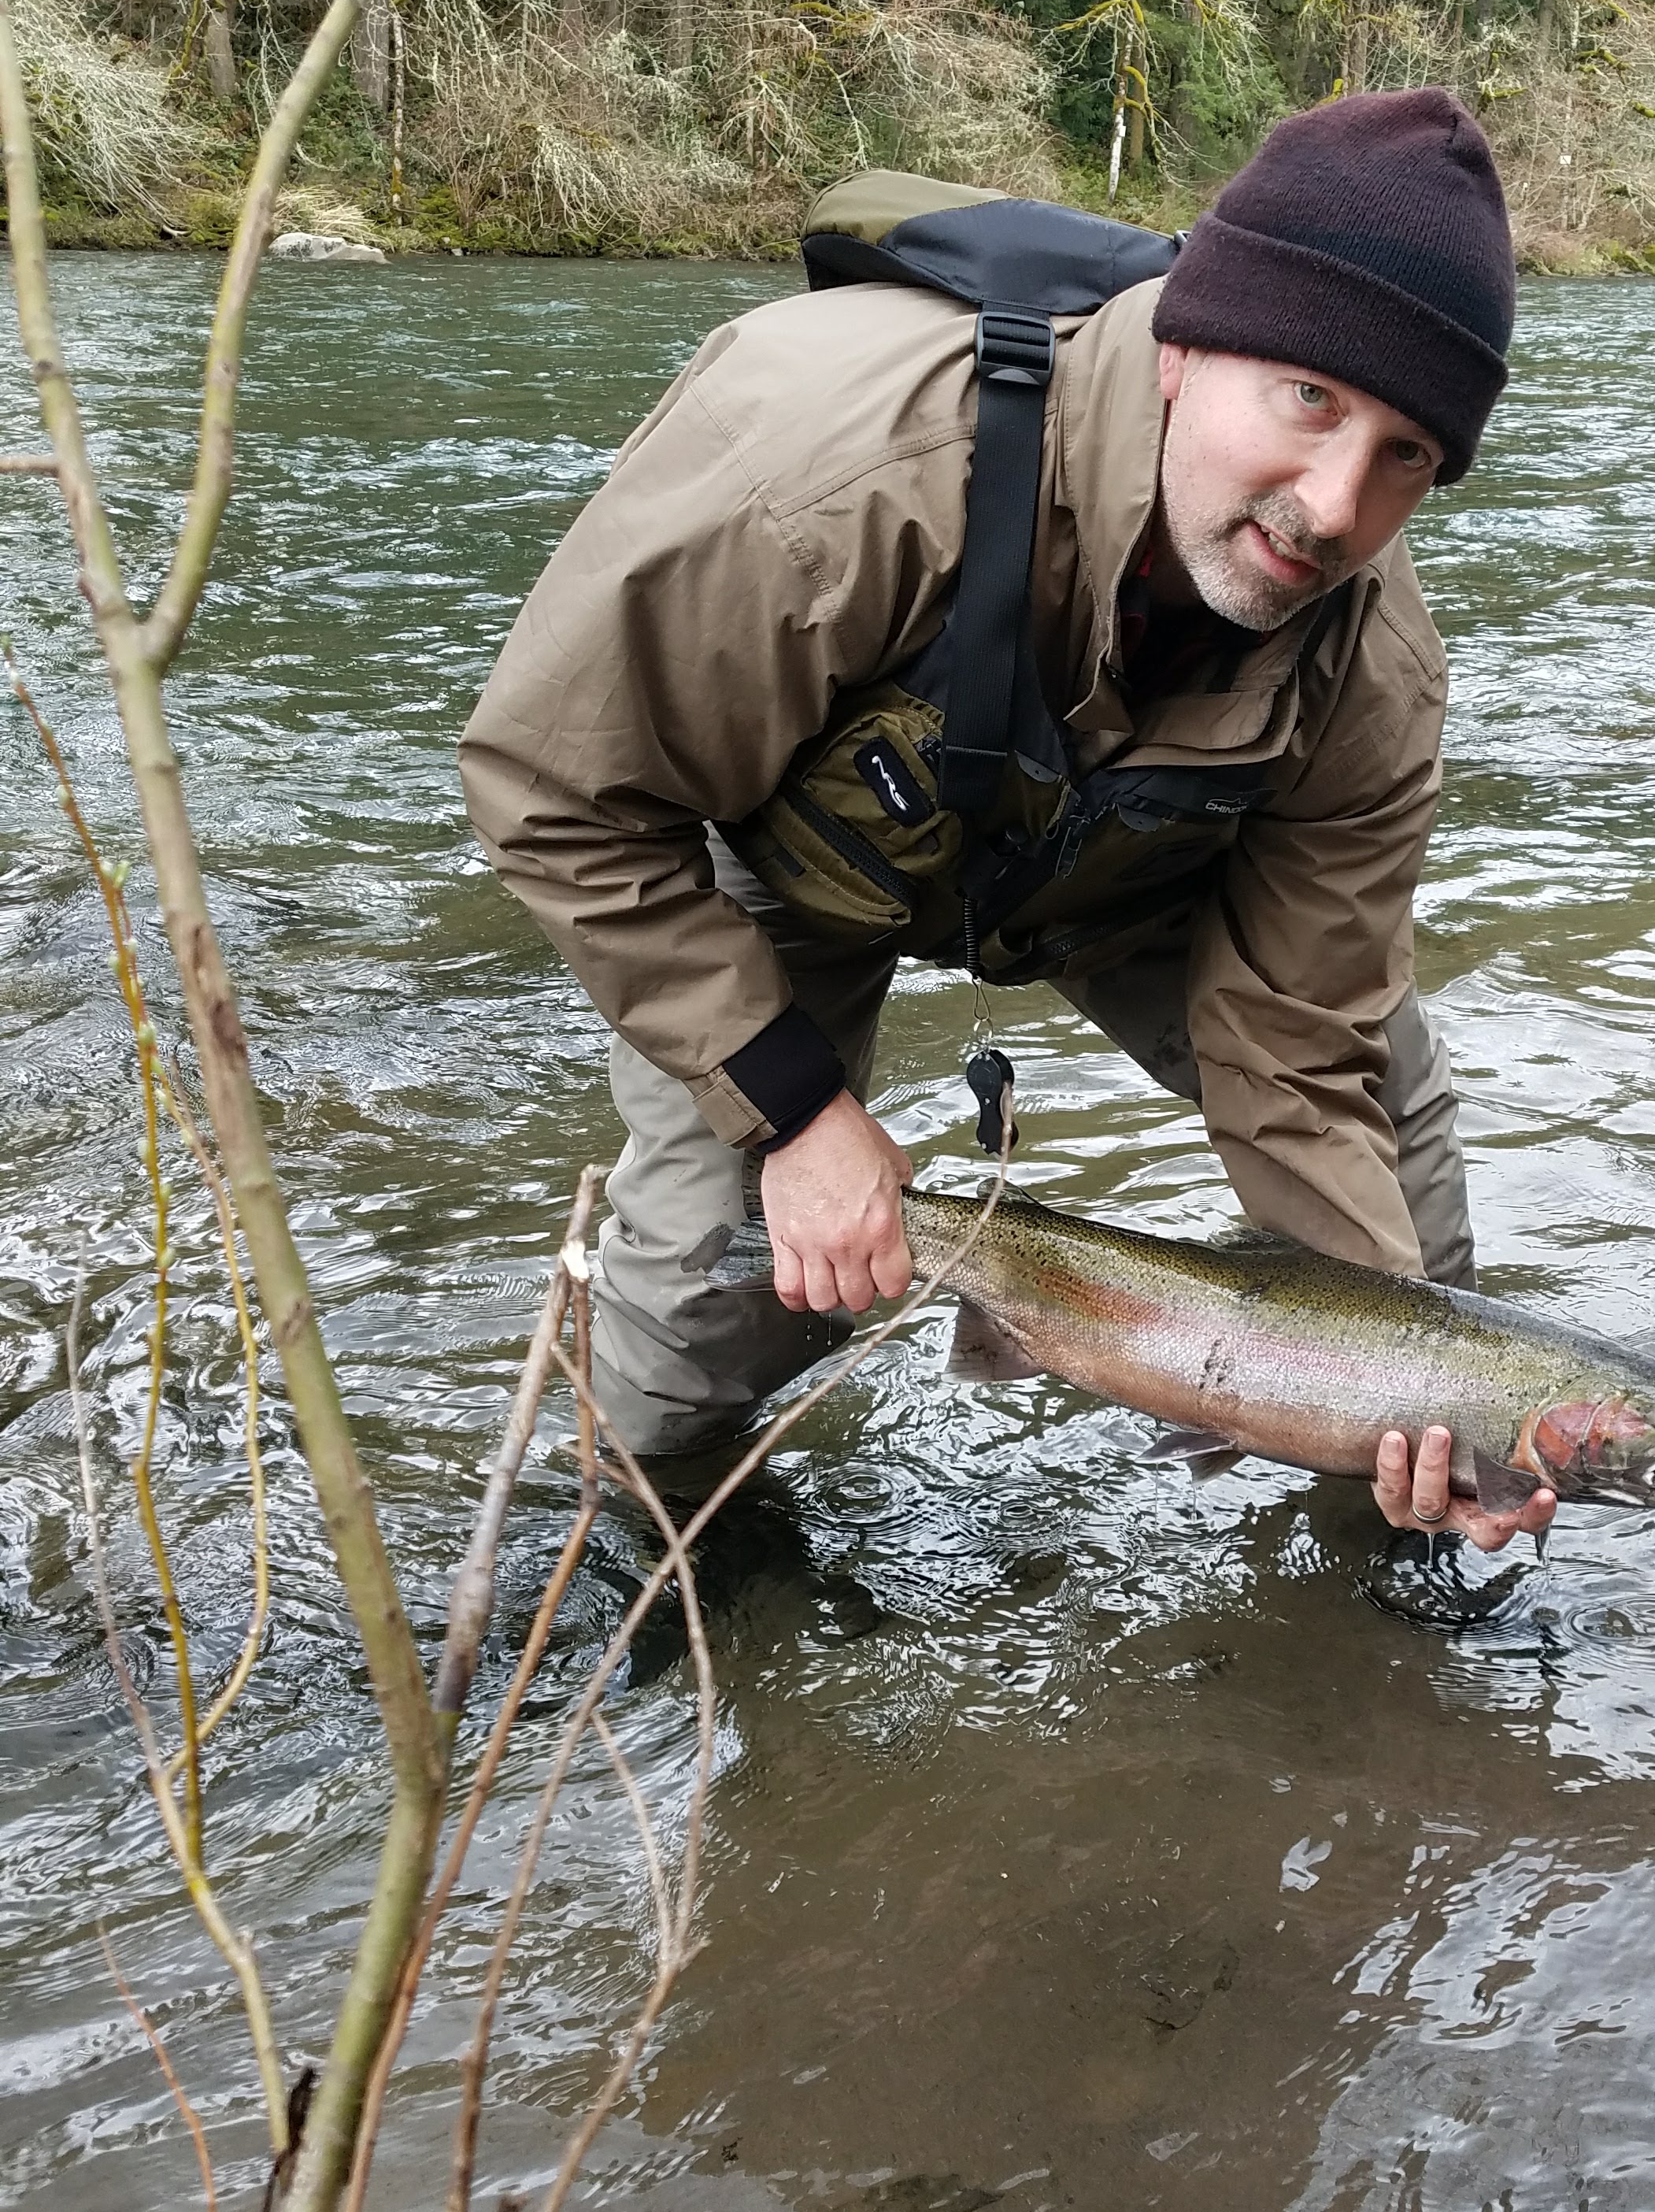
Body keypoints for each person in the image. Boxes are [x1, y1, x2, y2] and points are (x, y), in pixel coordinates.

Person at [460, 86, 1553, 1553]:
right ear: (1188, 345)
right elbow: (561, 789)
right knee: (713, 1293)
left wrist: (1410, 1388)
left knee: (1396, 1162)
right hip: (796, 837)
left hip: (1128, 870)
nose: (1331, 508)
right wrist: (795, 1108)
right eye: (1309, 401)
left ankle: (1392, 1534)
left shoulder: (1369, 668)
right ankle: (640, 1567)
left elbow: (1302, 1040)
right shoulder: (825, 479)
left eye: (1407, 455)